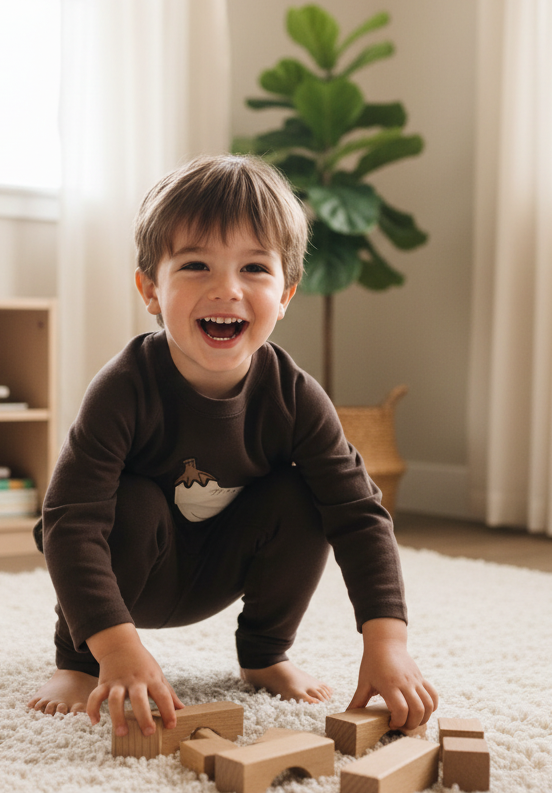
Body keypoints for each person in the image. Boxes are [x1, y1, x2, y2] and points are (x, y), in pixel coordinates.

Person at [27, 154, 437, 741]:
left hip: (220, 564)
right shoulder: (123, 387)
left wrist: (387, 643)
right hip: (133, 565)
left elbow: (360, 516)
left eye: (254, 268)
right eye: (195, 265)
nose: (227, 289)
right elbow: (68, 522)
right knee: (133, 500)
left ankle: (265, 654)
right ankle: (78, 658)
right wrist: (113, 648)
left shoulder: (295, 396)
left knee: (305, 493)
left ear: (286, 292)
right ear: (150, 289)